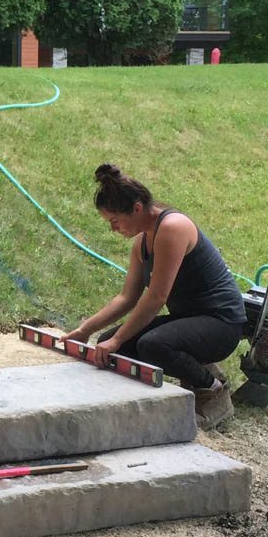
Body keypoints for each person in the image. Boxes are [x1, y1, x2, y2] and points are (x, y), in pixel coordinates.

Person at [62, 164, 247, 428]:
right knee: (111, 345)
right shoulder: (143, 242)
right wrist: (85, 331)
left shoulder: (173, 227)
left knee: (151, 344)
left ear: (136, 208)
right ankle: (194, 370)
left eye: (115, 220)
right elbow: (127, 298)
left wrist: (117, 339)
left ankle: (213, 390)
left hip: (221, 324)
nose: (113, 229)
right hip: (189, 319)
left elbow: (157, 297)